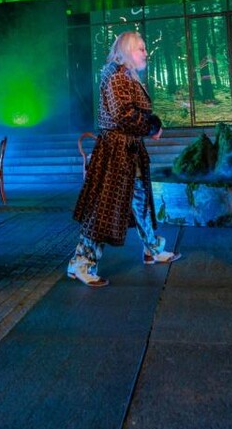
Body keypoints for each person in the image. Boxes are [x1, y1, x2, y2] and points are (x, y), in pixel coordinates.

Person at [67, 31, 180, 288]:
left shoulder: (127, 75)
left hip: (129, 151)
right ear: (128, 50)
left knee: (140, 201)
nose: (145, 53)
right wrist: (151, 127)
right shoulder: (116, 75)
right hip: (116, 153)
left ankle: (152, 248)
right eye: (141, 48)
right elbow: (124, 115)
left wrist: (151, 125)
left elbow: (132, 113)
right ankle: (81, 263)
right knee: (103, 210)